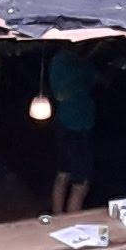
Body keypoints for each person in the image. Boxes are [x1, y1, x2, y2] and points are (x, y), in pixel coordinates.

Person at [45, 48, 95, 217]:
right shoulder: (82, 65)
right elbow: (97, 79)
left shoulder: (58, 60)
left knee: (63, 174)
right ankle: (70, 226)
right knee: (80, 183)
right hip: (80, 125)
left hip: (64, 121)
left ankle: (58, 220)